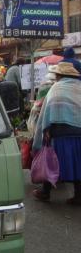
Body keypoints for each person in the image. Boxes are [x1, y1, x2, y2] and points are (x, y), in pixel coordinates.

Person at [32, 62, 81, 204]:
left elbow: (48, 111)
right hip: (79, 132)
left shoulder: (56, 88)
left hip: (60, 133)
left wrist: (46, 130)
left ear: (59, 75)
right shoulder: (79, 87)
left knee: (52, 161)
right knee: (78, 163)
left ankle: (45, 192)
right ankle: (78, 195)